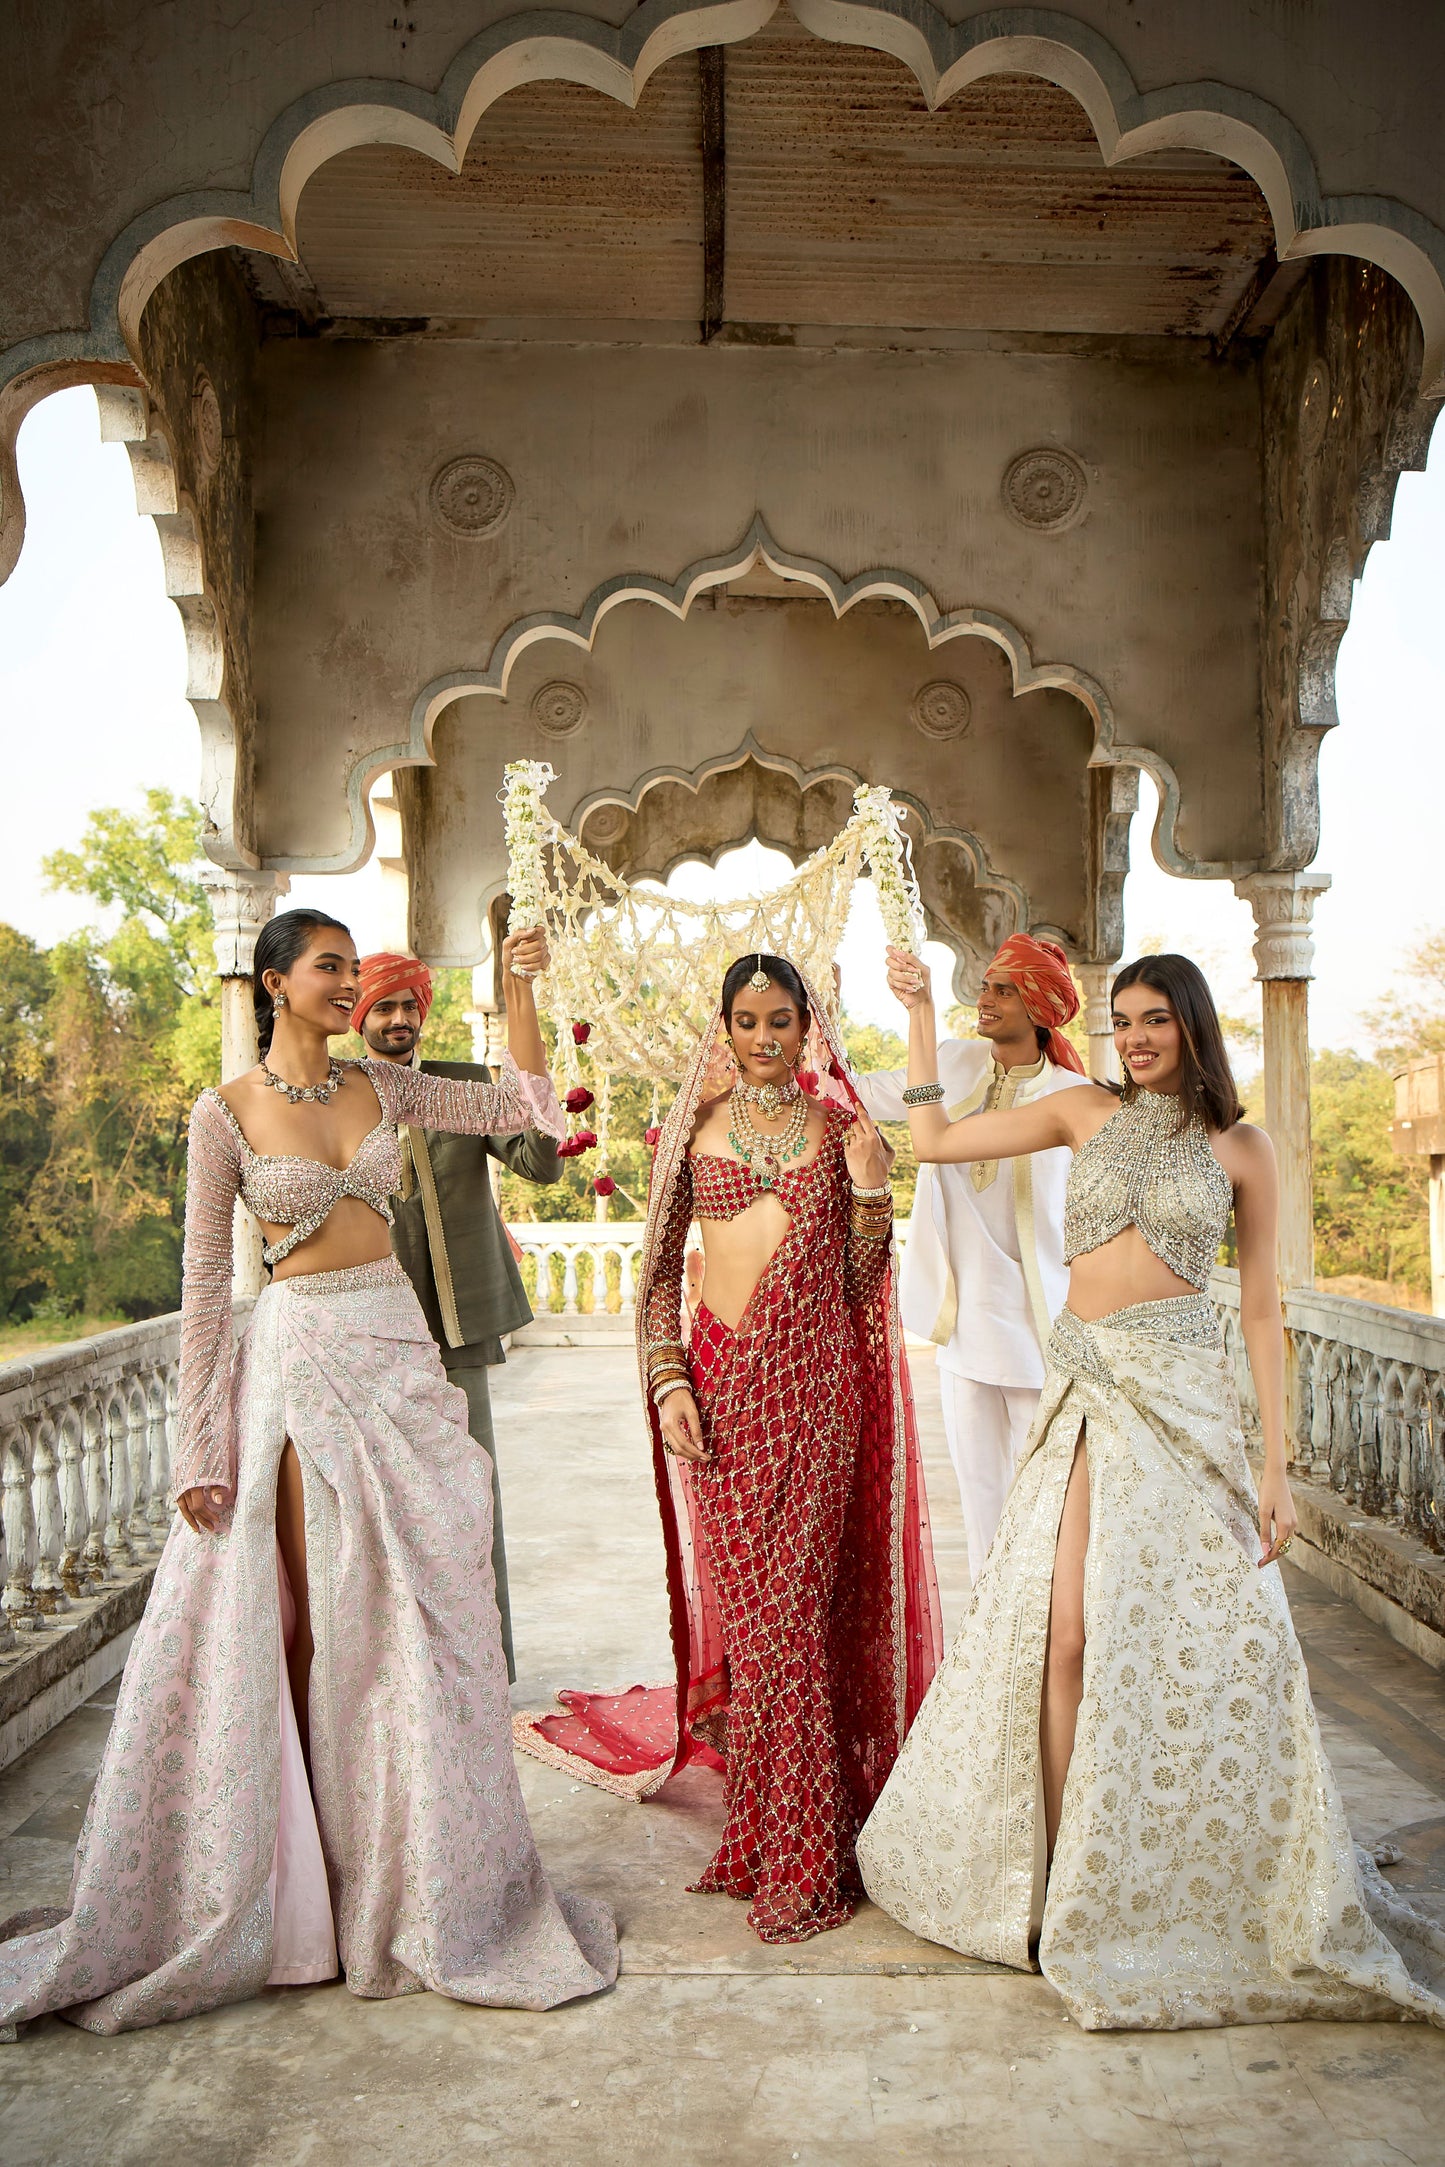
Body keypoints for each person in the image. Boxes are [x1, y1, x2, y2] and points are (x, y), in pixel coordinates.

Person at [0, 908, 617, 2036]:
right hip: (297, 1358)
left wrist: (520, 990)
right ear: (276, 982)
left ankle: (418, 1879)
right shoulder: (223, 1114)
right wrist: (199, 1444)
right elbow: (201, 1288)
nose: (347, 984)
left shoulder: (389, 1089)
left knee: (425, 1624)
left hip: (395, 1348)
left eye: (350, 967)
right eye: (328, 968)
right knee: (313, 1622)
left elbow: (524, 1112)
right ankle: (307, 1898)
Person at [856, 948, 1445, 2029]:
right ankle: (1041, 1889)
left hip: (1181, 1399)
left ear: (1190, 1027)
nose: (1132, 1038)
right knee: (1062, 1633)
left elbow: (1260, 1310)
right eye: (1121, 1020)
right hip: (1085, 1387)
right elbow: (931, 1143)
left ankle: (1171, 1869)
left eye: (1153, 1021)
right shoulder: (1081, 1110)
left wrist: (1275, 1470)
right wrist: (909, 1014)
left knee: (1200, 1637)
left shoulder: (1240, 1147)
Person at [517, 954, 941, 1944]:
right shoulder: (692, 1129)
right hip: (718, 1392)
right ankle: (760, 1828)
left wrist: (873, 1193)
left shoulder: (842, 1131)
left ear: (808, 1028)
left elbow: (854, 1282)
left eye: (780, 1020)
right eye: (745, 1020)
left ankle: (806, 1851)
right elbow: (659, 1272)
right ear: (725, 1026)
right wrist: (667, 1379)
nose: (762, 1037)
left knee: (793, 1615)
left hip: (813, 1388)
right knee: (753, 1626)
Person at [354, 949, 564, 1683]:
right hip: (369, 1335)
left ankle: (483, 1666)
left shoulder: (461, 1085)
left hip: (458, 1326)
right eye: (384, 1007)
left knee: (472, 1500)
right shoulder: (341, 1094)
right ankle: (399, 1674)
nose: (399, 1019)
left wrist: (523, 999)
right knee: (382, 1509)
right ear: (359, 1016)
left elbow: (542, 1159)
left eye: (410, 1005)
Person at [854, 934, 1092, 1577]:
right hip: (963, 1326)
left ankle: (1047, 1639)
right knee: (981, 1498)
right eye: (984, 985)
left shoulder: (1078, 1095)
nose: (983, 998)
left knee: (1046, 1505)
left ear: (1040, 1007)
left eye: (1002, 989)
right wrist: (814, 1012)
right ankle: (994, 1648)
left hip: (1046, 1332)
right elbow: (857, 1092)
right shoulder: (952, 1064)